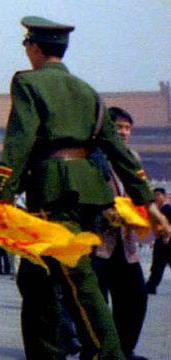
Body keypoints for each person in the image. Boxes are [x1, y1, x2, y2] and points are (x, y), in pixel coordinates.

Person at [0, 16, 170, 359]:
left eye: (27, 45)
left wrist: (1, 193)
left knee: (77, 279)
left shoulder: (28, 83)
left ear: (35, 47)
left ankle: (109, 354)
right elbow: (118, 151)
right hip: (88, 192)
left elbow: (19, 138)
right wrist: (149, 204)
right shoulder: (88, 91)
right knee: (36, 276)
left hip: (53, 191)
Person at [90, 107, 150, 359]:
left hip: (126, 243)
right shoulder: (91, 157)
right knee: (95, 301)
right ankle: (98, 351)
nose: (124, 132)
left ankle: (124, 349)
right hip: (97, 241)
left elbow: (139, 193)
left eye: (127, 127)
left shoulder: (131, 158)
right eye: (118, 127)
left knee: (135, 295)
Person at [145, 188, 171, 295]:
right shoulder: (157, 210)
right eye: (154, 195)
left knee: (158, 266)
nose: (156, 197)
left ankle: (151, 286)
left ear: (165, 196)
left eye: (159, 195)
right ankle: (151, 286)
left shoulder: (167, 209)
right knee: (157, 266)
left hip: (167, 242)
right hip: (161, 242)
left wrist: (168, 236)